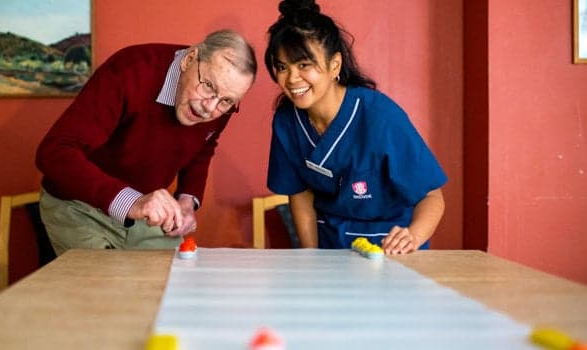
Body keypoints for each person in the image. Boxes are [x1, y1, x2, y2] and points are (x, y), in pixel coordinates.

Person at [36, 30, 257, 254]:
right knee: (106, 287)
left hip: (142, 210)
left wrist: (187, 200)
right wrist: (131, 202)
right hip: (78, 204)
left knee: (175, 279)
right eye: (208, 86)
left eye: (226, 101)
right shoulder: (130, 69)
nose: (209, 108)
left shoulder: (221, 99)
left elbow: (203, 144)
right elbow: (54, 152)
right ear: (189, 59)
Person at [264, 0, 447, 255]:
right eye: (282, 67)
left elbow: (432, 197)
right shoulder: (287, 121)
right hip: (331, 249)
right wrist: (311, 258)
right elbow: (300, 193)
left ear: (334, 65)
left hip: (391, 251)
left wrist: (412, 237)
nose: (292, 78)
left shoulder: (380, 116)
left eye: (304, 65)